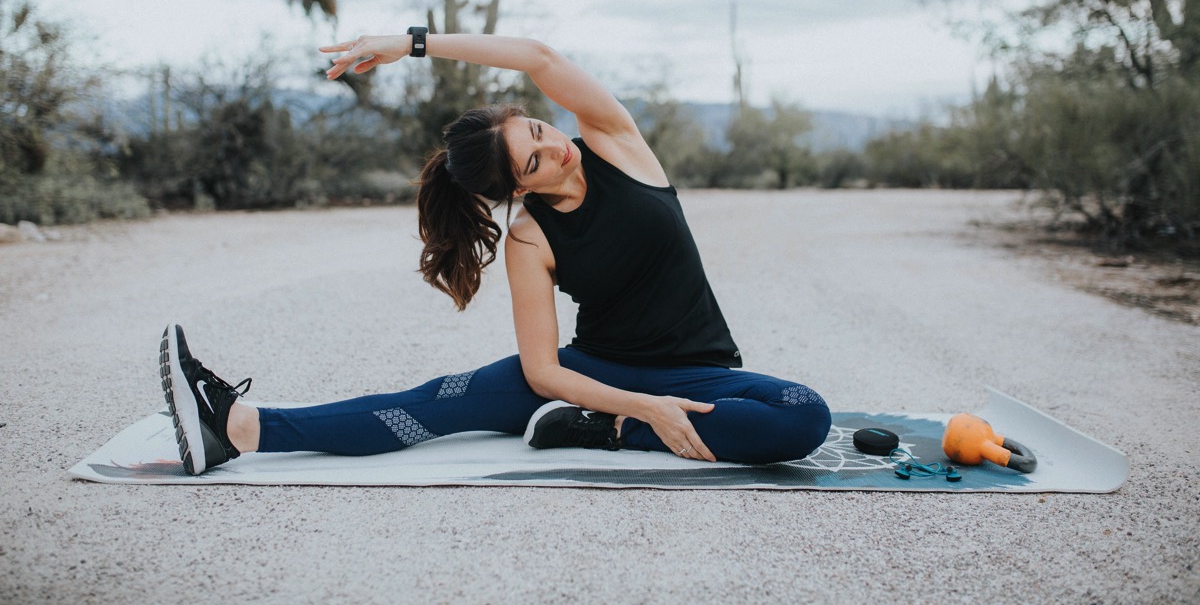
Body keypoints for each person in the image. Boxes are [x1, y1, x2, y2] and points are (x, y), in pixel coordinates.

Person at [158, 30, 831, 476]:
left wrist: (411, 43)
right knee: (434, 403)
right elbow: (543, 372)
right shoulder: (531, 237)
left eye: (539, 129)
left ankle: (603, 432)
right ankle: (238, 426)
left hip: (701, 373)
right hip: (592, 372)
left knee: (805, 417)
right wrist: (639, 402)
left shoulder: (617, 143)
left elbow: (539, 58)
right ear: (518, 187)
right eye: (534, 160)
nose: (557, 148)